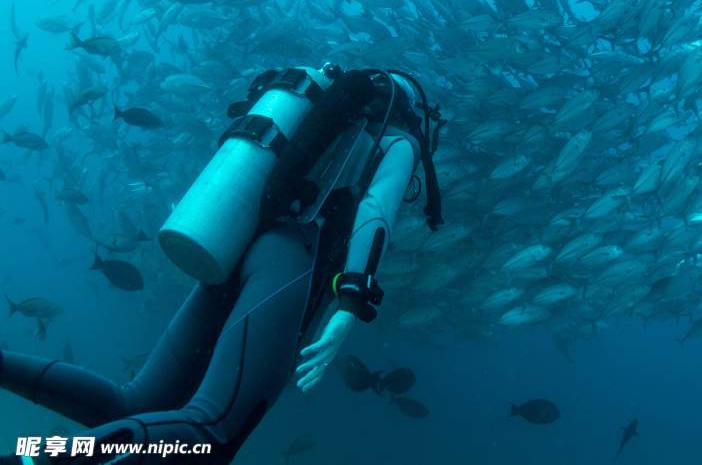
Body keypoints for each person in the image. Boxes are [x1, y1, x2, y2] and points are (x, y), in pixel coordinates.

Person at [0, 66, 444, 464]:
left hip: (238, 248)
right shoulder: (397, 142)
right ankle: (35, 461)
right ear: (405, 111)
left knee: (133, 403)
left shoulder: (317, 126)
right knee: (210, 432)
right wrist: (350, 303)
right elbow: (376, 210)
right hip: (290, 263)